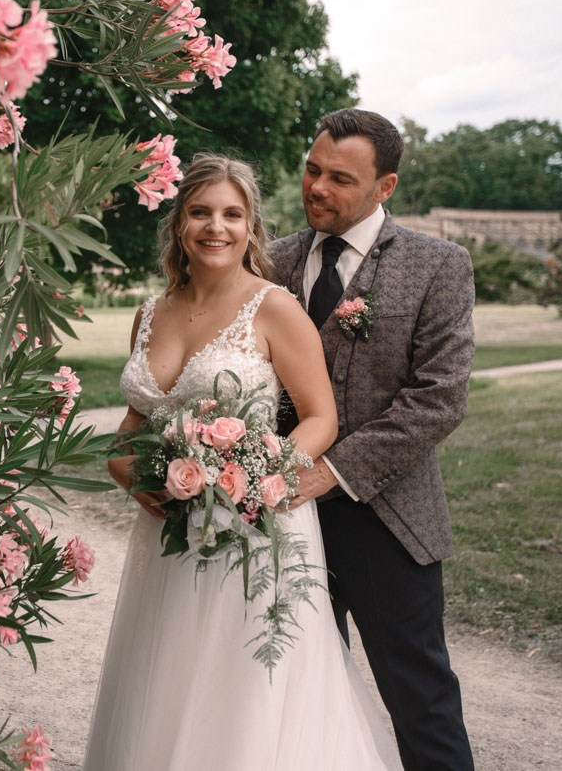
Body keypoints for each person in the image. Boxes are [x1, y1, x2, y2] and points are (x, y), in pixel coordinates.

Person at [83, 154, 401, 770]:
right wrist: (124, 470)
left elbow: (320, 418)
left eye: (232, 214)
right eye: (200, 212)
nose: (215, 227)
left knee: (246, 684)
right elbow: (134, 425)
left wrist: (258, 476)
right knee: (167, 677)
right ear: (178, 223)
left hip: (256, 525)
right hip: (169, 531)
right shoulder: (149, 313)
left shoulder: (275, 307)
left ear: (251, 225)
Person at [271, 108, 476, 770]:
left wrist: (331, 470)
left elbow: (439, 398)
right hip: (279, 517)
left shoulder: (438, 265)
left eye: (339, 178)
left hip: (387, 517)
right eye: (311, 169)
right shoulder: (268, 260)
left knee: (420, 699)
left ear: (384, 187)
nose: (317, 188)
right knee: (287, 690)